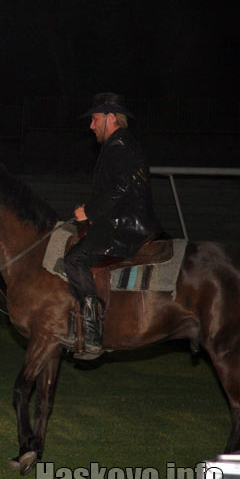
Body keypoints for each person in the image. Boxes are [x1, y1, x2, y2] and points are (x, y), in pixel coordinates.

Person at [63, 93, 162, 355]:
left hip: (126, 228)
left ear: (110, 118)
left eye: (95, 119)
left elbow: (120, 186)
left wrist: (91, 211)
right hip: (123, 221)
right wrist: (91, 212)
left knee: (74, 260)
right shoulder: (121, 145)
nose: (91, 126)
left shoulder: (119, 146)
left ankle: (92, 330)